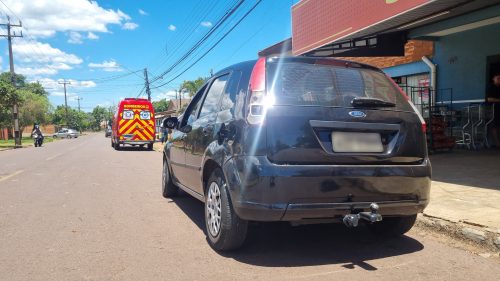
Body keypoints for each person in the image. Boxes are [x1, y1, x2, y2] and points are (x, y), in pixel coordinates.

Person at [487, 73, 500, 147]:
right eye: (498, 78)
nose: (499, 80)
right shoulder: (491, 87)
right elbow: (489, 99)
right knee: (494, 126)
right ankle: (497, 143)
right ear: (493, 79)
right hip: (494, 109)